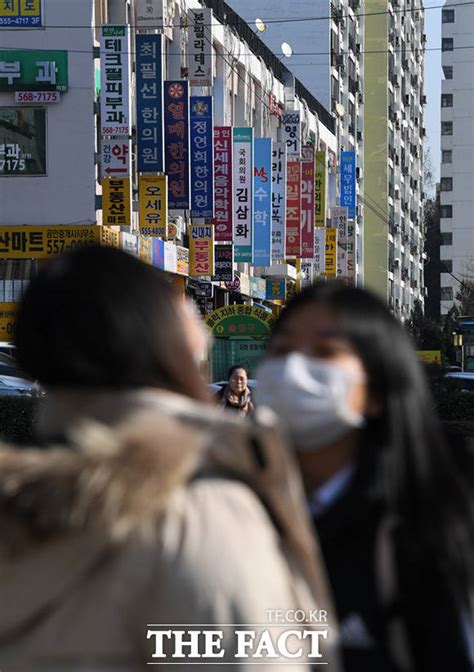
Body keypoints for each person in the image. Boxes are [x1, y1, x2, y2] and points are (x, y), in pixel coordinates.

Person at [0, 246, 342, 672]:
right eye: (186, 313)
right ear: (160, 337)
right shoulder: (198, 502)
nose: (203, 332)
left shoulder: (22, 495)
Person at [256, 281, 474, 672]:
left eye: (324, 353)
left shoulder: (435, 521)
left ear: (375, 388)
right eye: (282, 350)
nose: (293, 369)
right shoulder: (229, 503)